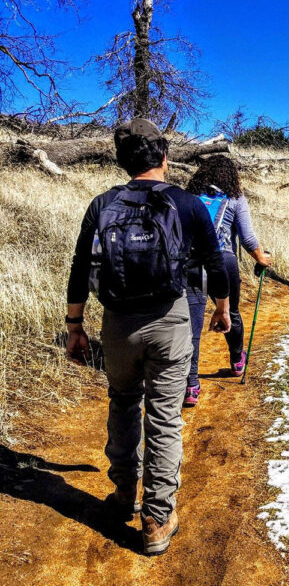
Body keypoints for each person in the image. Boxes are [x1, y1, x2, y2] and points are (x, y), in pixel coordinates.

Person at [65, 118, 231, 556]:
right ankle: (156, 519)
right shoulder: (187, 203)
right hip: (170, 320)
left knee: (122, 401)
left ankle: (124, 494)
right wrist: (223, 308)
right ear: (163, 155)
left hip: (118, 324)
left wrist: (74, 326)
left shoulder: (102, 205)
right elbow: (215, 262)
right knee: (163, 416)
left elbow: (80, 269)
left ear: (123, 160)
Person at [184, 156, 272, 406]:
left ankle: (191, 385)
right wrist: (260, 257)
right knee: (230, 312)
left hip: (191, 262)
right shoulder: (235, 198)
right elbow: (247, 237)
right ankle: (236, 360)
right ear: (231, 175)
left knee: (192, 324)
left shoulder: (190, 195)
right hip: (223, 261)